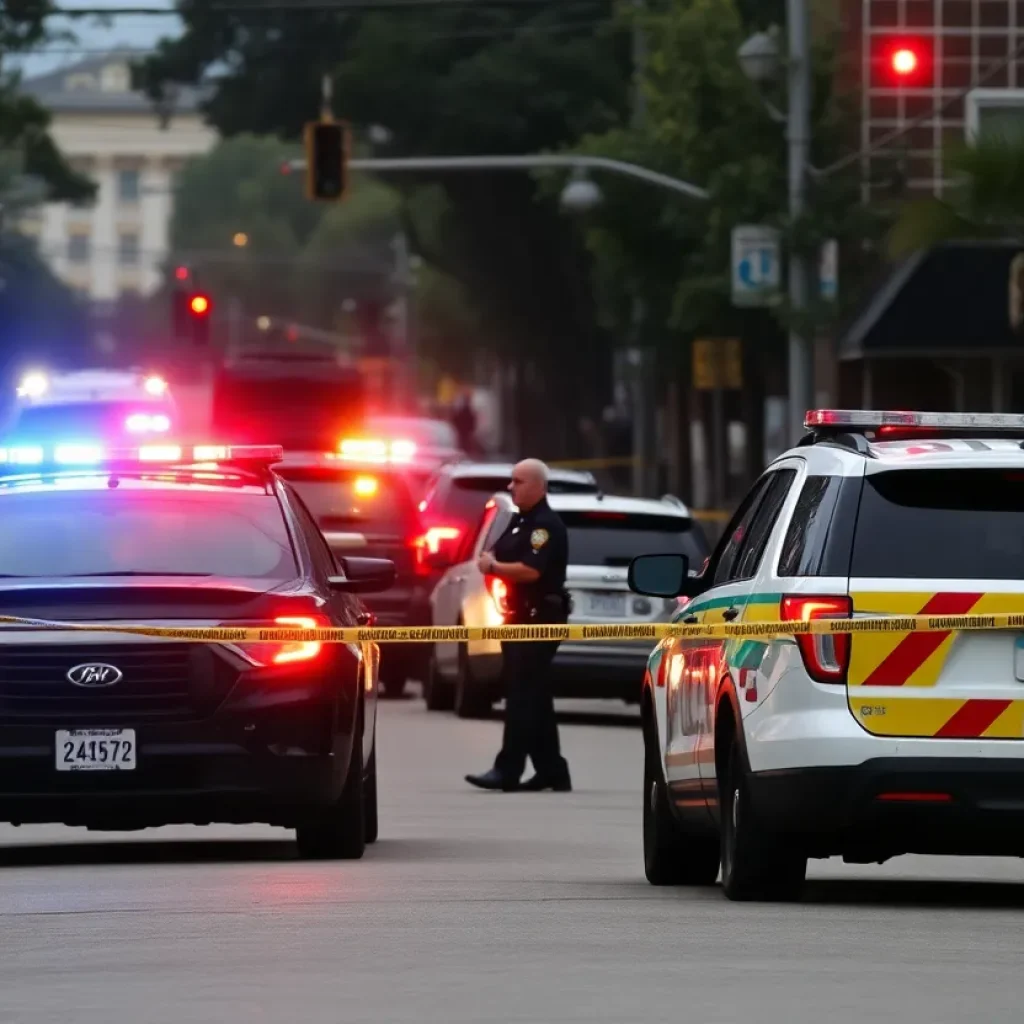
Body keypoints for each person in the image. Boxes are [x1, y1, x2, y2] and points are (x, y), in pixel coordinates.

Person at [465, 458, 573, 793]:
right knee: (535, 696)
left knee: (522, 696)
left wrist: (494, 567)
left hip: (538, 619)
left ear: (539, 486)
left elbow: (532, 571)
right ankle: (552, 770)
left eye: (519, 481)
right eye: (511, 480)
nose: (512, 486)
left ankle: (507, 769)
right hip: (518, 618)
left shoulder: (544, 526)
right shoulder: (519, 522)